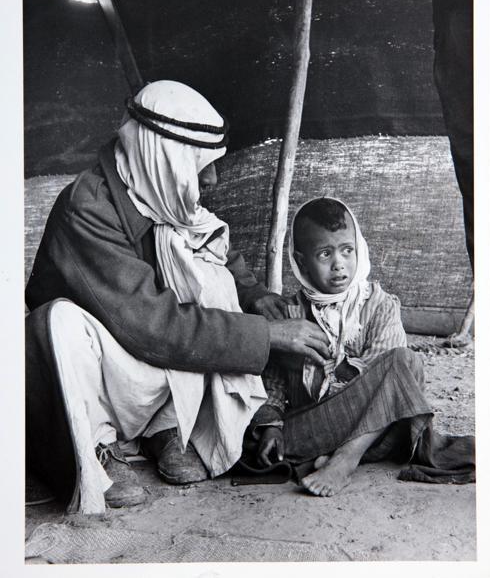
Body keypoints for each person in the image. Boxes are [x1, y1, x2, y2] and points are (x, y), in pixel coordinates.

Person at [25, 80, 331, 514]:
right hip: (105, 365)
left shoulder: (158, 190)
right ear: (162, 157)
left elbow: (214, 248)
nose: (211, 179)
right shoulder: (89, 207)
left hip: (145, 361)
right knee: (60, 324)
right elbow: (152, 326)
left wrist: (255, 296)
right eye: (200, 164)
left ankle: (166, 428)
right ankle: (97, 445)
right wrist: (269, 336)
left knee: (205, 279)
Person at [249, 197, 475, 497]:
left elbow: (387, 379)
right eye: (325, 254)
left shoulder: (380, 306)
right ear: (302, 262)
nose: (339, 264)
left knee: (405, 362)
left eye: (347, 250)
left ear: (360, 248)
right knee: (251, 444)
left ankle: (345, 459)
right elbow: (273, 380)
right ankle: (330, 453)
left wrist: (337, 365)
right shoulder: (290, 315)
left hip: (374, 430)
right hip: (316, 427)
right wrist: (272, 425)